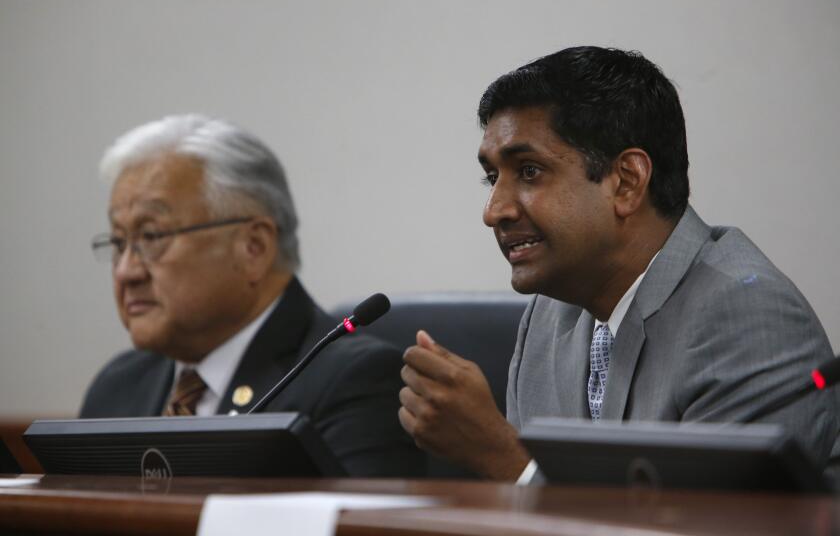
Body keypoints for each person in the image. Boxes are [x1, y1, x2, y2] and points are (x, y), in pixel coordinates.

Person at [398, 46, 840, 481]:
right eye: (493, 178)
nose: (494, 211)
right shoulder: (550, 314)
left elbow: (701, 527)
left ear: (627, 182)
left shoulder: (748, 319)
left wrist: (502, 458)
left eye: (529, 171)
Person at [80, 114, 422, 477]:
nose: (126, 272)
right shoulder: (117, 387)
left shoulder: (354, 383)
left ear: (253, 248)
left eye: (151, 237)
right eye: (119, 243)